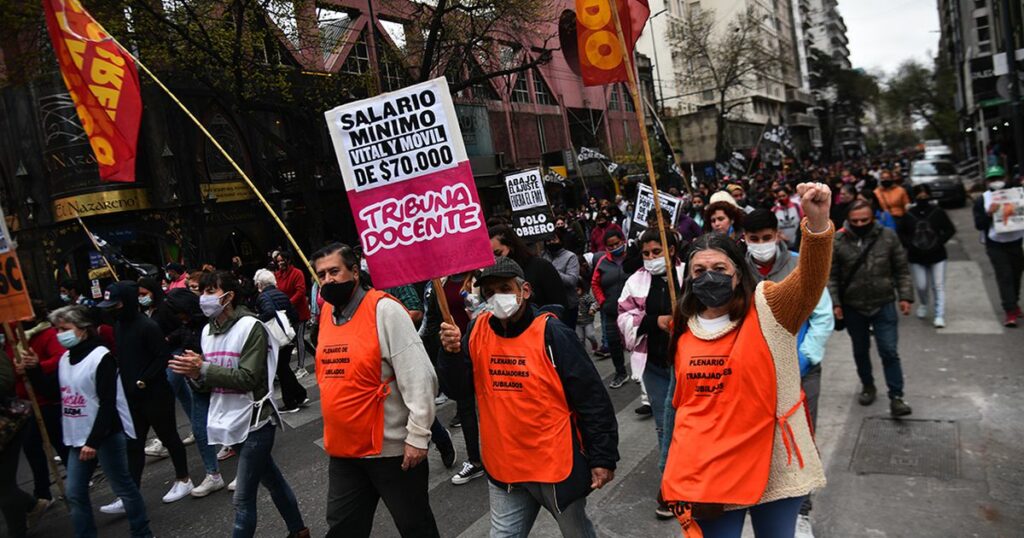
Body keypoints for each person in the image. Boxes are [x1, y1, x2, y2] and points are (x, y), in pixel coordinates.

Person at [660, 182, 833, 538]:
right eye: (699, 270)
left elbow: (810, 282)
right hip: (712, 470)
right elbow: (679, 405)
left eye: (720, 268)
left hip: (773, 462)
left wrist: (816, 226)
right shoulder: (684, 326)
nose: (710, 276)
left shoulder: (770, 307)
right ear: (689, 279)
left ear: (739, 273)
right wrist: (670, 472)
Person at [439, 257, 619, 538]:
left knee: (576, 532)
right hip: (505, 467)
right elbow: (458, 390)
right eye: (489, 292)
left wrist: (603, 457)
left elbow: (591, 397)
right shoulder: (475, 332)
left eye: (505, 288)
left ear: (525, 290)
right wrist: (450, 356)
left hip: (554, 465)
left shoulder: (552, 334)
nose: (498, 297)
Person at [309, 243, 439, 538]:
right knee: (343, 528)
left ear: (355, 271)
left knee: (415, 526)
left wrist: (418, 436)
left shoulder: (385, 310)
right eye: (321, 275)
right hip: (344, 451)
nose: (328, 280)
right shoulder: (327, 313)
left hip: (392, 452)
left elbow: (420, 377)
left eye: (334, 271)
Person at [169, 271, 309, 538]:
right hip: (227, 422)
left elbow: (248, 378)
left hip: (256, 421)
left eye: (210, 291)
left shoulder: (251, 327)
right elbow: (207, 383)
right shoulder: (208, 331)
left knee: (242, 499)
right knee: (273, 481)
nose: (203, 298)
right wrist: (194, 374)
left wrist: (204, 369)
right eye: (202, 292)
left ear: (229, 296)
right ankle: (300, 531)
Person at [742, 209, 833, 537]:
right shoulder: (737, 269)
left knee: (801, 442)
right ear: (744, 239)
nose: (761, 244)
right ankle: (765, 506)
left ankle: (802, 513)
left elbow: (822, 317)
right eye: (754, 239)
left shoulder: (800, 263)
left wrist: (803, 359)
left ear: (778, 235)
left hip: (801, 372)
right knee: (763, 444)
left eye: (767, 237)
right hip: (754, 375)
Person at [51, 305, 153, 538]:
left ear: (83, 329)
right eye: (57, 329)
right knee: (75, 493)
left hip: (105, 436)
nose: (59, 334)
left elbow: (108, 403)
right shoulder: (65, 358)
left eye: (64, 328)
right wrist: (33, 369)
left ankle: (142, 531)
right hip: (78, 437)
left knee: (124, 488)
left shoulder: (101, 357)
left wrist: (94, 442)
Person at [97, 281, 193, 512]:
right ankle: (130, 494)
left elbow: (162, 357)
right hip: (132, 396)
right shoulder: (119, 326)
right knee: (134, 444)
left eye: (117, 304)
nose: (113, 309)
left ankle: (183, 479)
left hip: (155, 394)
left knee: (169, 437)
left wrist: (144, 380)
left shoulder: (147, 326)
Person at [617, 229, 684, 520]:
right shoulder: (636, 281)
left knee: (691, 422)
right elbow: (622, 316)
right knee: (664, 424)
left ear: (671, 249)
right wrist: (653, 321)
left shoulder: (688, 274)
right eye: (646, 253)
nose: (651, 258)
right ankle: (671, 485)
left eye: (657, 252)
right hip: (656, 365)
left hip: (689, 365)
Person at [829, 200, 914, 417]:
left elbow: (901, 269)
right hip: (853, 306)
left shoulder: (887, 236)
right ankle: (868, 386)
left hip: (883, 303)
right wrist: (835, 304)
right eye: (854, 221)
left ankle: (896, 396)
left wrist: (905, 297)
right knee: (860, 350)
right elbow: (832, 276)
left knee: (889, 351)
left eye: (864, 220)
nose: (859, 224)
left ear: (873, 217)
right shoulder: (838, 240)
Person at [160, 289, 226, 497]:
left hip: (219, 379)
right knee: (200, 428)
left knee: (233, 425)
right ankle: (213, 474)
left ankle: (246, 469)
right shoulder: (185, 327)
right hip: (199, 384)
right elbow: (178, 336)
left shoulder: (211, 324)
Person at [6, 302, 67, 507]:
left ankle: (72, 483)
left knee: (57, 442)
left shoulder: (47, 334)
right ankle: (43, 491)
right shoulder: (11, 337)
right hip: (25, 403)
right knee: (35, 446)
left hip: (47, 400)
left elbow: (60, 358)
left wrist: (37, 365)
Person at [1, 348, 49, 538]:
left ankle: (18, 531)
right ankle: (32, 505)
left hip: (6, 426)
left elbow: (5, 380)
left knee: (4, 486)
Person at [899, 184, 957, 328]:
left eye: (925, 194)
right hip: (916, 256)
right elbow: (901, 233)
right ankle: (924, 303)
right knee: (921, 285)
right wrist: (911, 245)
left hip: (937, 255)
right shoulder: (908, 214)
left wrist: (938, 243)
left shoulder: (938, 212)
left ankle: (939, 314)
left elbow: (950, 229)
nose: (923, 197)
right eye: (920, 194)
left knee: (938, 285)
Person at [973, 165, 1024, 327]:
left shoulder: (1016, 194)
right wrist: (989, 214)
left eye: (999, 178)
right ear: (987, 181)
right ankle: (1009, 311)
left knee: (1016, 274)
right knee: (1005, 276)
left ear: (1005, 178)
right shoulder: (983, 200)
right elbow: (979, 225)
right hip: (995, 244)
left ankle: (1014, 303)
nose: (997, 182)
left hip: (1015, 241)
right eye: (993, 179)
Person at [253, 269, 309, 413]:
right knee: (284, 368)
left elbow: (269, 312)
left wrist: (257, 320)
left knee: (282, 369)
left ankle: (291, 403)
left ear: (260, 284)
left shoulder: (263, 297)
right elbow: (293, 314)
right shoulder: (281, 294)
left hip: (276, 338)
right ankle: (300, 395)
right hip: (287, 335)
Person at [490, 225, 569, 314]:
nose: (495, 260)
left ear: (512, 246)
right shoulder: (494, 277)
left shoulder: (541, 267)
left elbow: (560, 306)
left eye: (498, 253)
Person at [591, 229, 631, 388]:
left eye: (617, 243)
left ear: (623, 241)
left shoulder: (631, 258)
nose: (615, 247)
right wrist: (602, 302)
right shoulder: (602, 262)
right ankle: (620, 372)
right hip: (611, 310)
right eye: (611, 245)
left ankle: (642, 373)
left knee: (637, 342)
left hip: (632, 310)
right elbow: (595, 283)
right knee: (614, 343)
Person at [274, 251, 312, 373]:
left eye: (282, 260)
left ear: (288, 260)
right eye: (278, 261)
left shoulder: (297, 273)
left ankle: (301, 367)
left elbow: (300, 291)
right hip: (286, 313)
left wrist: (288, 304)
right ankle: (317, 355)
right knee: (296, 338)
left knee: (299, 338)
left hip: (299, 311)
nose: (280, 263)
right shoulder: (277, 275)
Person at [543, 229, 581, 329]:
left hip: (568, 305)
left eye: (554, 239)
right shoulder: (543, 256)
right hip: (548, 305)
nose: (551, 242)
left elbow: (571, 280)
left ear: (560, 240)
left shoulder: (570, 257)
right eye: (548, 240)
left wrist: (552, 270)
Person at [576, 284, 599, 353]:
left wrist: (592, 309)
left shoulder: (586, 297)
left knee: (590, 335)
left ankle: (594, 345)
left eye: (577, 290)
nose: (576, 293)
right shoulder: (573, 298)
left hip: (587, 321)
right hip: (578, 322)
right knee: (580, 338)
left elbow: (594, 303)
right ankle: (582, 351)